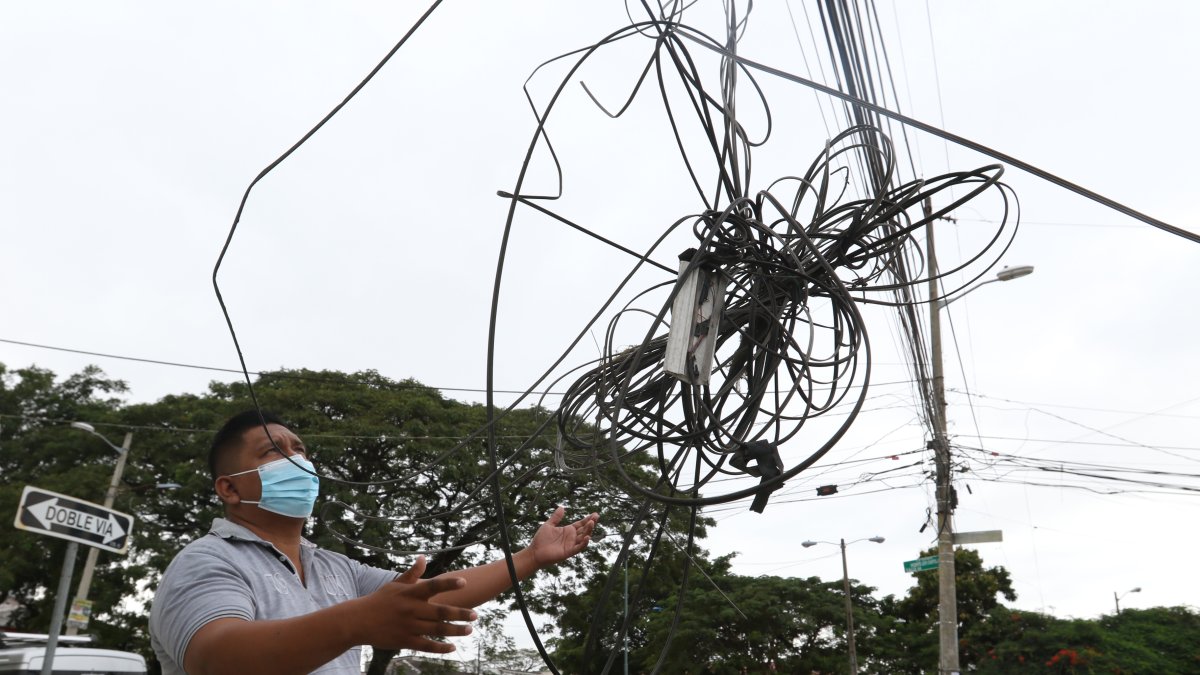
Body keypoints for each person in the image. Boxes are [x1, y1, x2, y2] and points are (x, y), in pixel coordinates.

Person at [149, 410, 599, 675]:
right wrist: (357, 621)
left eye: (300, 449)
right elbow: (216, 657)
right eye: (274, 452)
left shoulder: (333, 567)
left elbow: (433, 591)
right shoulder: (207, 559)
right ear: (229, 489)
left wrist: (530, 557)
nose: (298, 460)